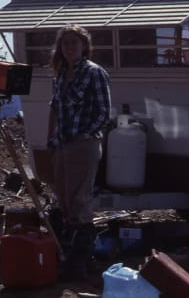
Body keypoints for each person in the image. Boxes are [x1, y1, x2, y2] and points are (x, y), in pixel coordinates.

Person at [46, 24, 111, 279]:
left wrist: (85, 134)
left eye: (74, 43)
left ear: (84, 46)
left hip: (83, 145)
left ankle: (80, 261)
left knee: (79, 200)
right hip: (62, 143)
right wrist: (50, 138)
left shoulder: (94, 73)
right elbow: (54, 108)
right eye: (65, 44)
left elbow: (104, 111)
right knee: (63, 199)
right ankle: (73, 254)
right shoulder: (61, 74)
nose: (69, 47)